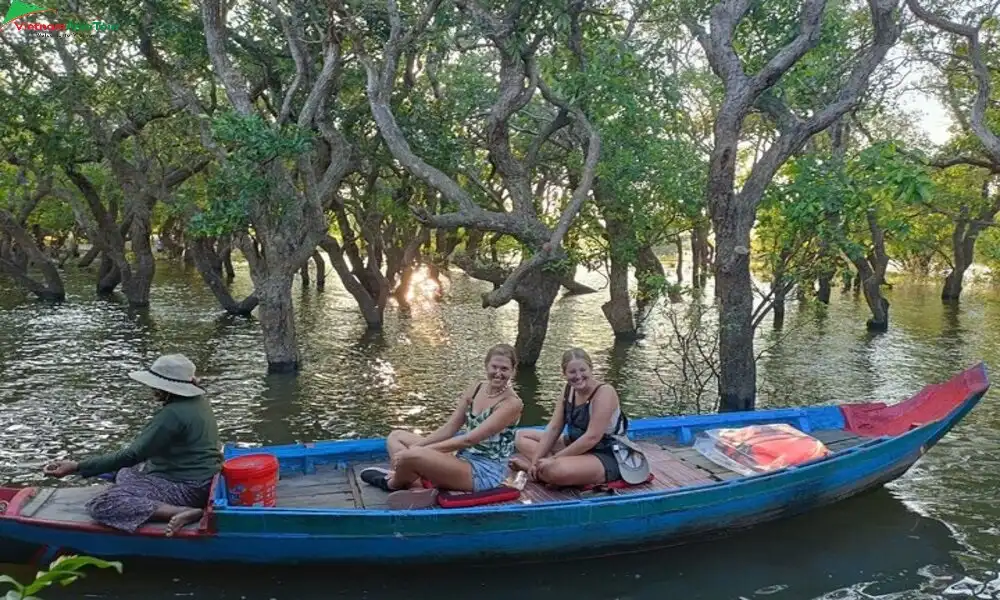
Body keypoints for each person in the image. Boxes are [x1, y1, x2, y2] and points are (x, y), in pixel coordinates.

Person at [43, 354, 222, 536]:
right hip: (202, 479)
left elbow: (132, 455)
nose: (152, 389)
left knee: (103, 504)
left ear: (166, 389)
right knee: (124, 472)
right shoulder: (199, 402)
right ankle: (100, 475)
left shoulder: (172, 414)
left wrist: (77, 466)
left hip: (187, 488)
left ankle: (180, 511)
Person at [360, 343, 523, 509]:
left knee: (412, 456)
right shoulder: (476, 388)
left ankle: (393, 483)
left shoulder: (511, 403)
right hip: (462, 458)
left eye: (504, 369)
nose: (498, 373)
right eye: (494, 367)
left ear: (513, 371)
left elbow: (469, 439)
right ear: (486, 365)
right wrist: (418, 446)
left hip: (483, 471)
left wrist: (423, 451)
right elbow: (450, 428)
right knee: (396, 437)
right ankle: (416, 487)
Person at [511, 347, 632, 487]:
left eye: (583, 370)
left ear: (591, 369)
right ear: (564, 373)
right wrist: (536, 460)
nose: (578, 376)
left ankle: (545, 470)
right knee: (520, 436)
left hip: (606, 453)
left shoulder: (604, 392)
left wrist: (555, 459)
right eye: (572, 372)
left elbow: (592, 437)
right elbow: (554, 428)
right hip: (574, 443)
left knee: (556, 470)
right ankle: (540, 468)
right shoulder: (568, 390)